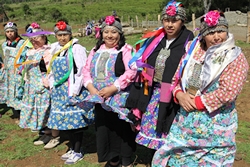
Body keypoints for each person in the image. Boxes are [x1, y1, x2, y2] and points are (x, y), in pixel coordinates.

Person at [152, 10, 249, 167]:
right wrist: (179, 95)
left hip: (216, 125)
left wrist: (197, 102)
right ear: (203, 34)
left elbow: (228, 92)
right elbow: (176, 78)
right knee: (179, 160)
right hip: (186, 122)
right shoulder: (192, 51)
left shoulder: (234, 57)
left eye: (220, 32)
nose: (216, 37)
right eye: (211, 33)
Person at [125, 0, 194, 156]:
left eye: (174, 20)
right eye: (166, 20)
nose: (170, 24)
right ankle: (154, 160)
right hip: (153, 90)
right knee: (153, 130)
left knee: (169, 131)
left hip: (174, 94)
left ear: (182, 21)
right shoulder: (156, 39)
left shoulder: (189, 41)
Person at [82, 15, 137, 167]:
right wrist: (91, 88)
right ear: (102, 33)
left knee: (122, 129)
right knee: (104, 129)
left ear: (120, 34)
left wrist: (114, 88)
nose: (109, 35)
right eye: (106, 32)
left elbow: (132, 71)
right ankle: (113, 159)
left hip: (119, 97)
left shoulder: (125, 50)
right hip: (99, 98)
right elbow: (86, 70)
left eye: (114, 32)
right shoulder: (95, 50)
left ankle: (126, 161)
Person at [46, 20, 95, 165]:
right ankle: (73, 148)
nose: (62, 38)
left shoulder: (76, 48)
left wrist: (75, 91)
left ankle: (78, 150)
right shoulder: (55, 48)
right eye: (59, 35)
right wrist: (52, 84)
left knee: (75, 123)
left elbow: (80, 70)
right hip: (59, 90)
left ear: (70, 35)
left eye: (65, 35)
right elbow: (52, 68)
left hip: (73, 89)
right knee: (65, 122)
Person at [18, 22, 53, 139]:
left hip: (42, 86)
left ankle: (50, 133)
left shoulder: (47, 52)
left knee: (45, 110)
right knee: (35, 109)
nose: (34, 41)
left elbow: (49, 70)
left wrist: (45, 83)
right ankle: (42, 131)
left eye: (37, 38)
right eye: (32, 39)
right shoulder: (30, 52)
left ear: (44, 38)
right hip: (31, 85)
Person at [1, 22, 25, 119]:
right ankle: (15, 112)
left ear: (15, 32)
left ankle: (21, 113)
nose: (10, 33)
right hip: (9, 72)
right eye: (8, 32)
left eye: (12, 31)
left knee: (18, 90)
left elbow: (23, 57)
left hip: (18, 71)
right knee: (11, 91)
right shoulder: (4, 44)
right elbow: (5, 58)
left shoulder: (21, 43)